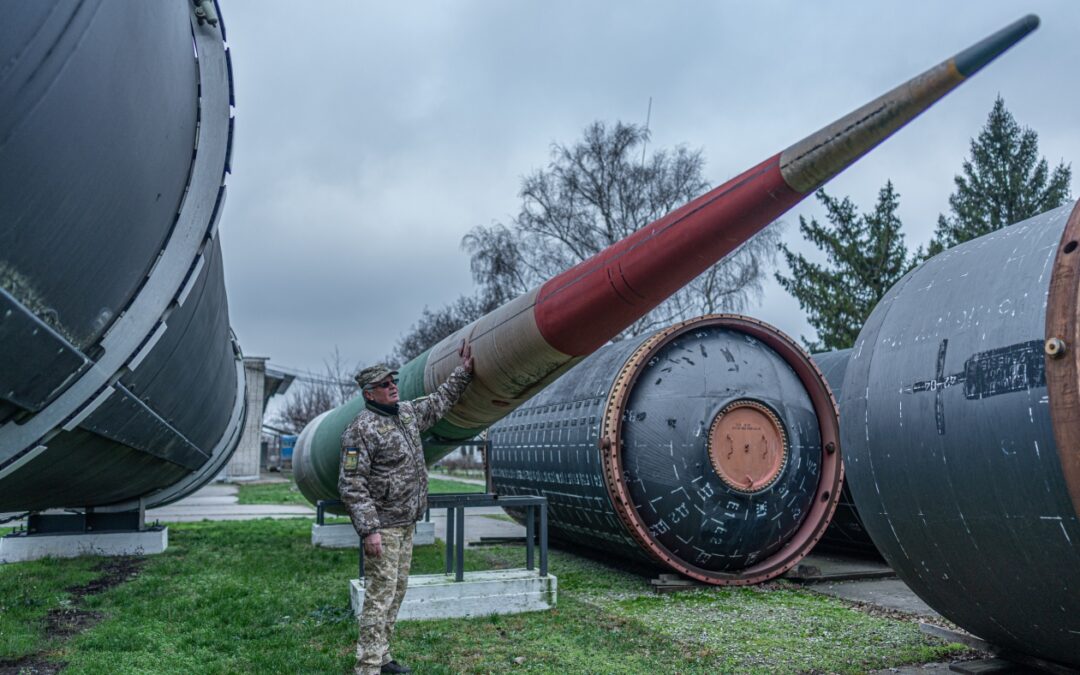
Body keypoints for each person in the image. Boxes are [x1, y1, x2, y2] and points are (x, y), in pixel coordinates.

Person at [339, 341, 474, 675]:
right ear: (369, 394)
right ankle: (367, 666)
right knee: (379, 596)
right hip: (383, 527)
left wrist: (464, 371)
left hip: (406, 523)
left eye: (393, 382)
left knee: (396, 593)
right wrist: (369, 530)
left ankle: (382, 657)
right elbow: (351, 484)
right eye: (385, 385)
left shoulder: (408, 414)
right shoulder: (361, 430)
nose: (393, 387)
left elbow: (441, 401)